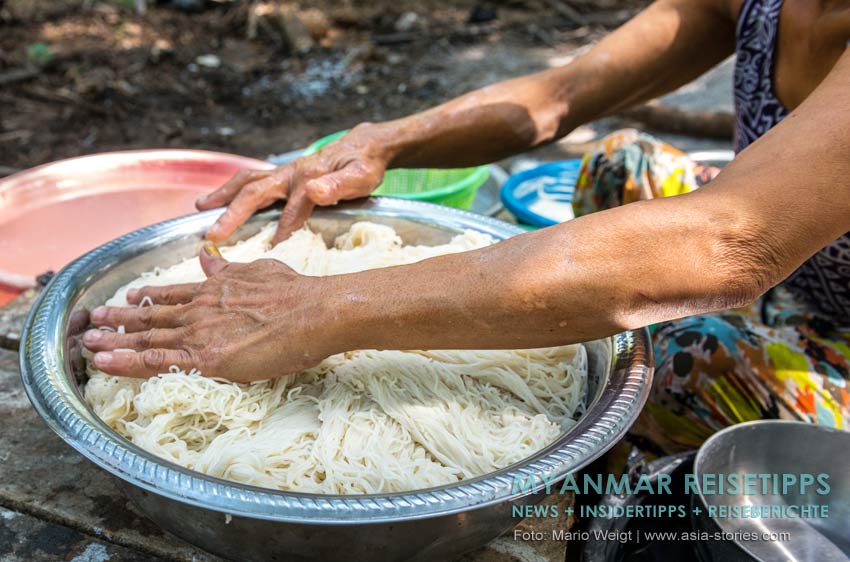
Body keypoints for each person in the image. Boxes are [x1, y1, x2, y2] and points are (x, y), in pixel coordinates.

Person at [82, 0, 850, 453]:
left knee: (663, 355)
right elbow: (564, 92)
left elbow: (728, 243)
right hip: (797, 268)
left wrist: (320, 307)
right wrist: (386, 141)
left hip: (829, 328)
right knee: (619, 167)